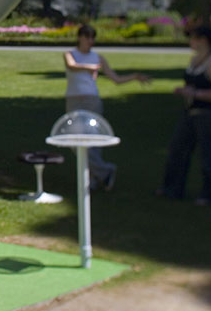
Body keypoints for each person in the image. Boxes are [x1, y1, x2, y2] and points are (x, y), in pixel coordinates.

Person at [63, 24, 151, 190]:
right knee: (73, 140)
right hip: (73, 101)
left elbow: (115, 79)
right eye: (87, 37)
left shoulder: (98, 57)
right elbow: (71, 65)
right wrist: (90, 68)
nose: (90, 41)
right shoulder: (70, 54)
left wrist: (135, 76)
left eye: (92, 38)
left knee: (92, 141)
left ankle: (93, 179)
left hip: (91, 101)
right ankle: (105, 171)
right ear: (80, 37)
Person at [158, 25, 211, 206]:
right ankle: (172, 188)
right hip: (190, 113)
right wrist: (186, 91)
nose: (191, 42)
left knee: (207, 154)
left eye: (194, 38)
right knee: (177, 149)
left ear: (203, 41)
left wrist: (196, 94)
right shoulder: (195, 60)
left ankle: (210, 194)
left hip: (209, 114)